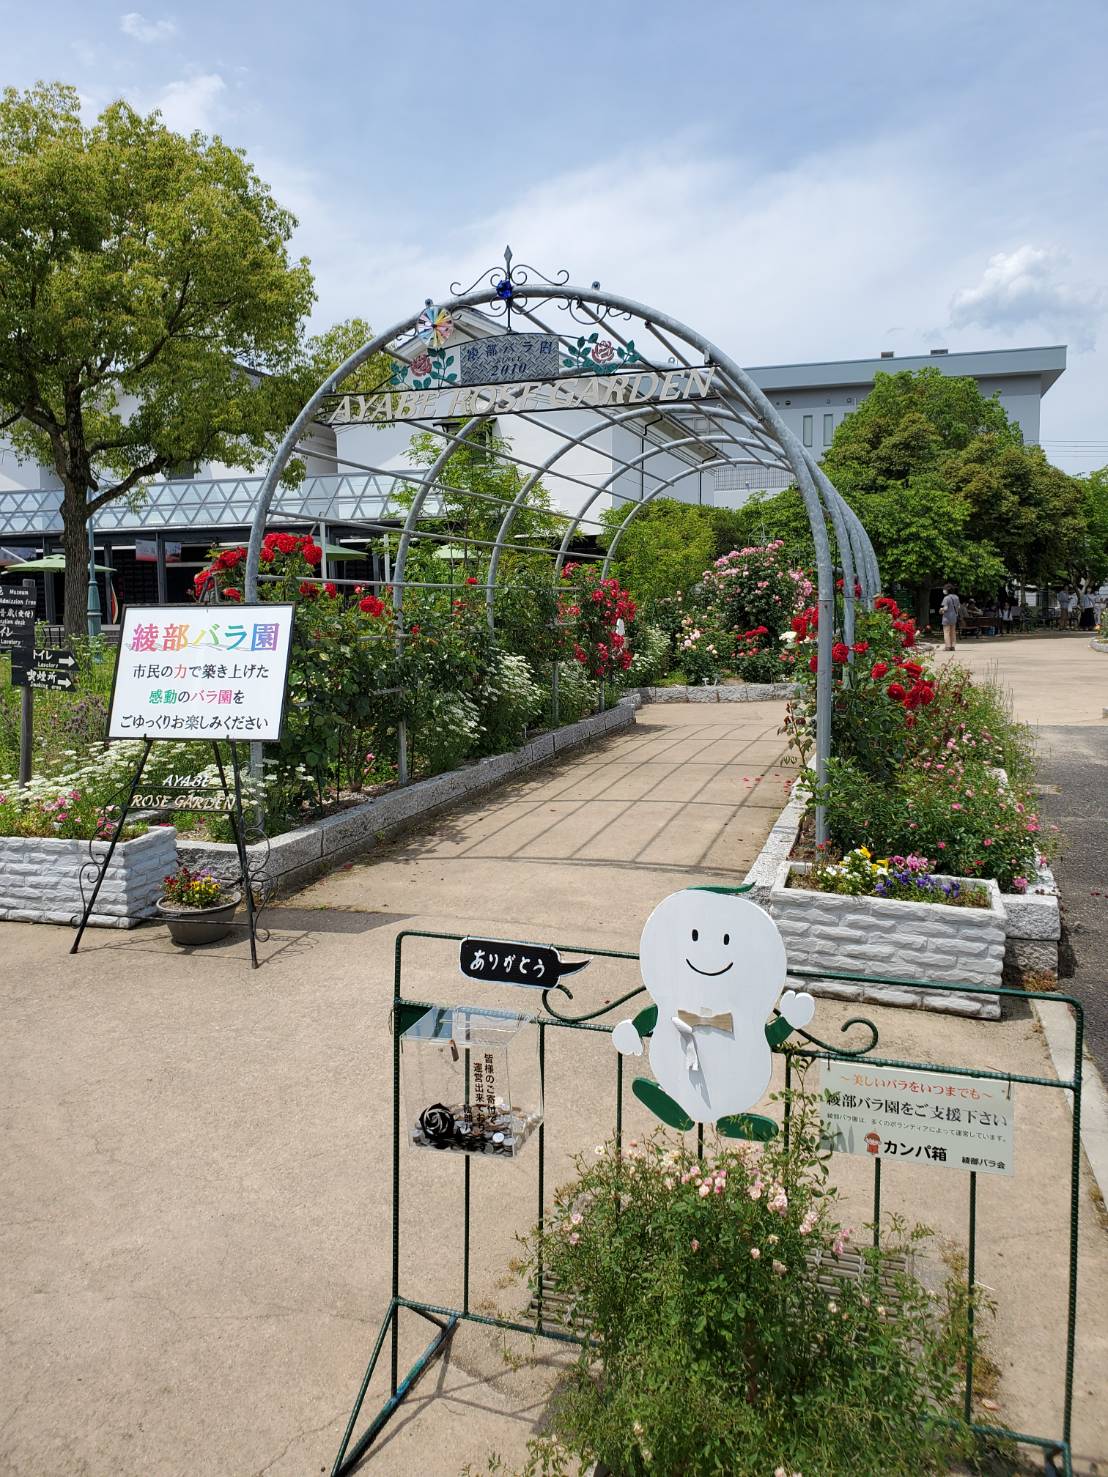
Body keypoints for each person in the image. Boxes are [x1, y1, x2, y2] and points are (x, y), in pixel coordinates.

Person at [939, 583, 961, 651]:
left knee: (946, 632)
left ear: (947, 590)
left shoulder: (946, 598)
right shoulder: (956, 597)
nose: (944, 590)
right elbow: (958, 607)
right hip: (954, 617)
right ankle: (953, 646)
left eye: (944, 589)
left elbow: (945, 608)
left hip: (947, 617)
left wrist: (941, 610)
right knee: (953, 632)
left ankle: (947, 646)